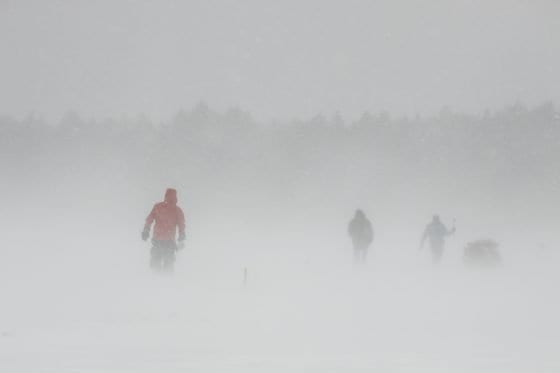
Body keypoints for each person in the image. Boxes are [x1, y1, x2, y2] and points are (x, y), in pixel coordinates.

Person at [142, 188, 186, 272]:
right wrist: (181, 236)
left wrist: (146, 230)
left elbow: (149, 219)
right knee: (168, 267)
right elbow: (181, 225)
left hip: (157, 241)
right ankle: (166, 283)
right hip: (169, 243)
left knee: (155, 266)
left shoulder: (158, 207)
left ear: (165, 196)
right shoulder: (177, 210)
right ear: (176, 197)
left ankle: (154, 281)